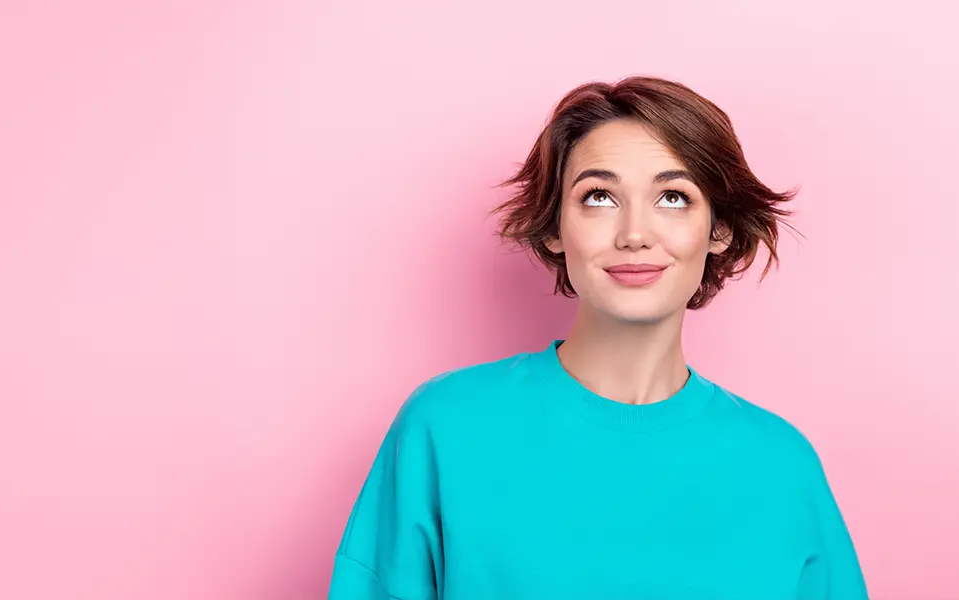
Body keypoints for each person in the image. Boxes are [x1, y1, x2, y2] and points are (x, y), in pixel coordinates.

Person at [328, 76, 869, 600]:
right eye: (599, 197)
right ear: (554, 227)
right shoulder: (444, 428)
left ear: (718, 229)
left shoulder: (780, 464)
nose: (634, 234)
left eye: (674, 198)